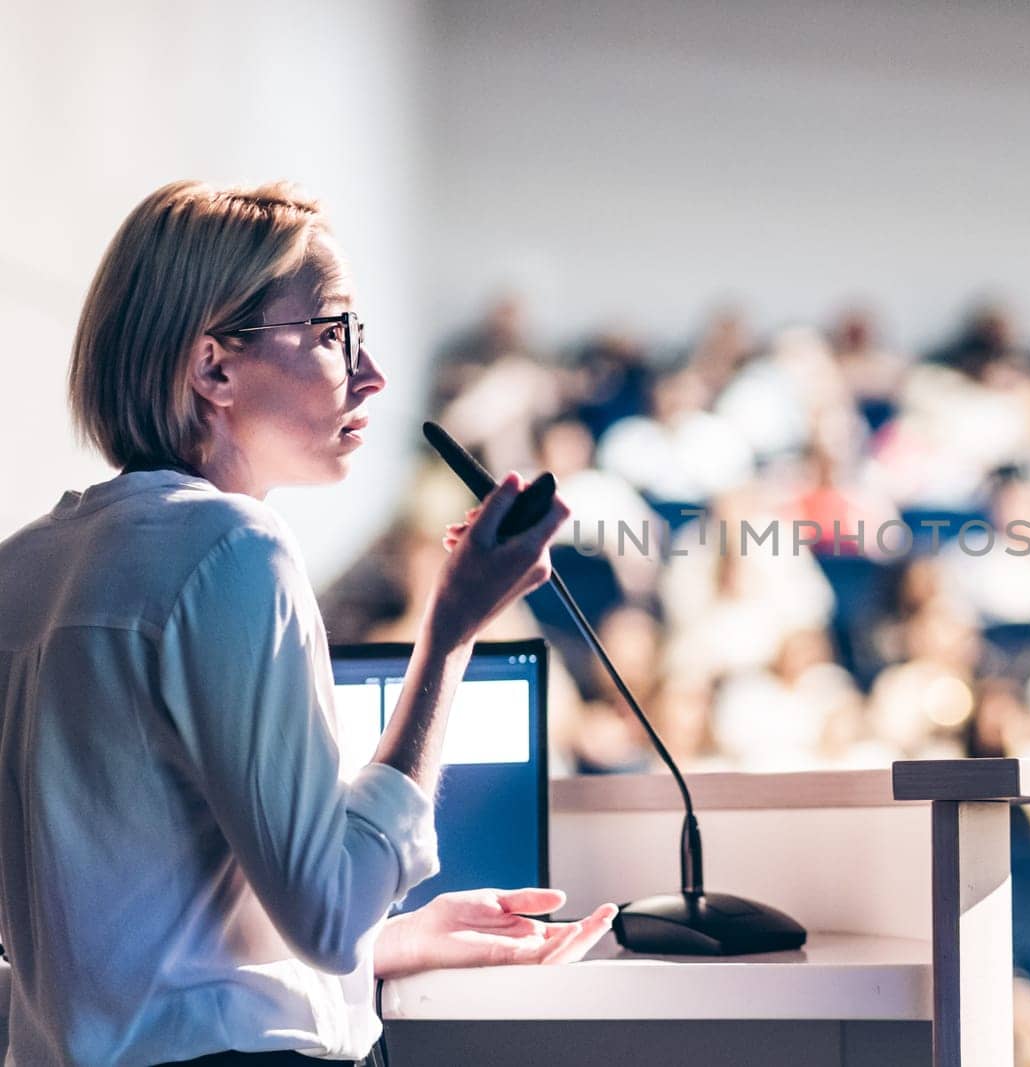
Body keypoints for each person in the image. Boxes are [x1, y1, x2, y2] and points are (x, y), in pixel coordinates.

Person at [0, 180, 615, 1067]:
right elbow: (328, 912)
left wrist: (391, 940)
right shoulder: (233, 548)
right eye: (334, 333)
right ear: (214, 368)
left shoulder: (25, 566)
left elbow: (114, 927)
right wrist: (452, 629)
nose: (372, 373)